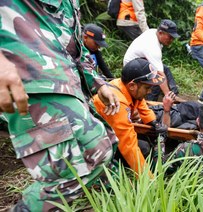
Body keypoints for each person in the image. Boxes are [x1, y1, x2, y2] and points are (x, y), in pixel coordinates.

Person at [0, 1, 120, 211]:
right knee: (88, 156)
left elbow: (73, 45)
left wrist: (97, 82)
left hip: (65, 81)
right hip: (28, 77)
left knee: (104, 145)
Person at [94, 58, 170, 175]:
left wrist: (153, 122)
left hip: (110, 132)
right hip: (96, 142)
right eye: (147, 88)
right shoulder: (117, 103)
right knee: (142, 148)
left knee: (144, 143)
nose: (149, 92)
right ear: (132, 86)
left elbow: (140, 103)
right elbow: (129, 145)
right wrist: (148, 179)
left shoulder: (123, 85)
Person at [123, 19, 184, 102]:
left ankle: (173, 94)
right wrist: (166, 95)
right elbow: (160, 74)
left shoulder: (153, 32)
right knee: (156, 79)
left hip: (139, 64)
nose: (171, 40)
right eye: (170, 37)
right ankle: (151, 103)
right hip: (132, 70)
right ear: (160, 33)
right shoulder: (152, 46)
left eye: (173, 38)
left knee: (165, 69)